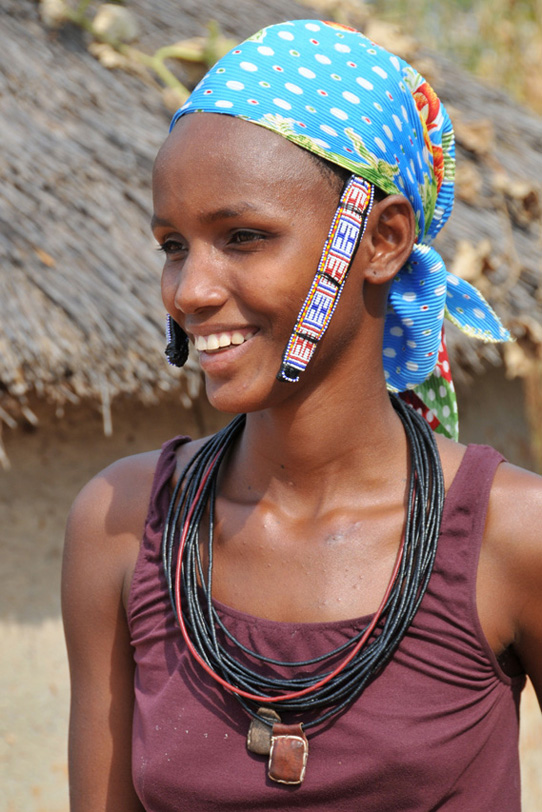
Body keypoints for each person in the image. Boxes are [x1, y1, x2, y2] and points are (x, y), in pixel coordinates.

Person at [62, 20, 542, 811]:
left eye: (243, 237)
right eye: (174, 245)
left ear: (382, 239)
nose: (189, 291)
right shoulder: (122, 528)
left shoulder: (511, 539)